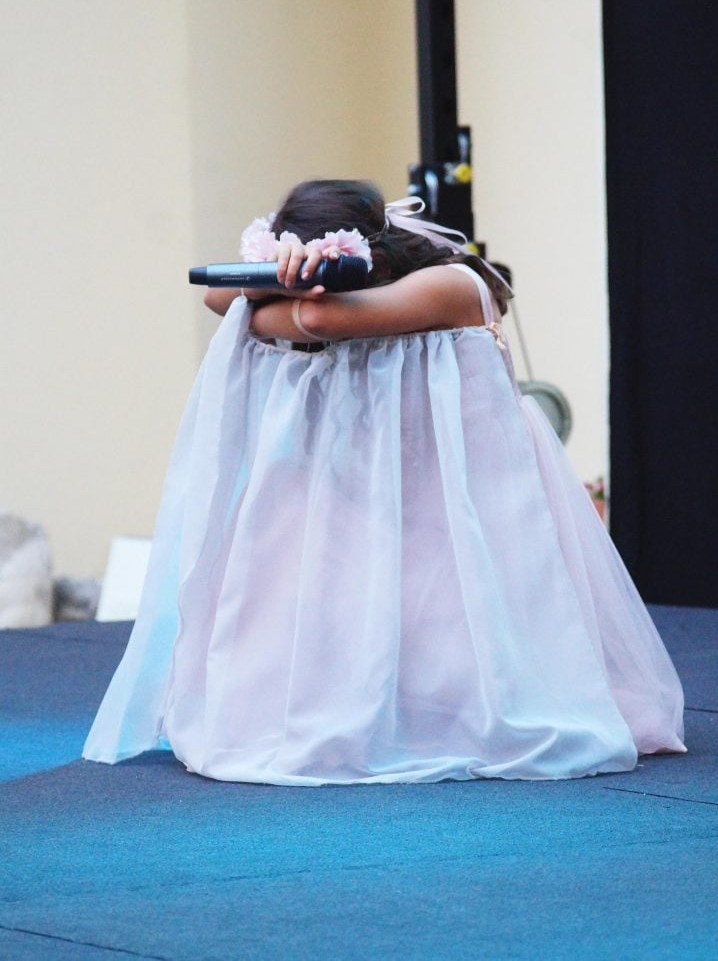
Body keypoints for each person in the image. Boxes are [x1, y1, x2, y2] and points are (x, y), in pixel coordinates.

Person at [83, 179, 685, 784]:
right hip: (378, 473)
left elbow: (316, 315)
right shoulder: (339, 294)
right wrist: (280, 271)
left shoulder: (453, 284)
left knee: (464, 611)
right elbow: (219, 299)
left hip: (470, 479)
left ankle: (468, 706)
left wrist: (279, 285)